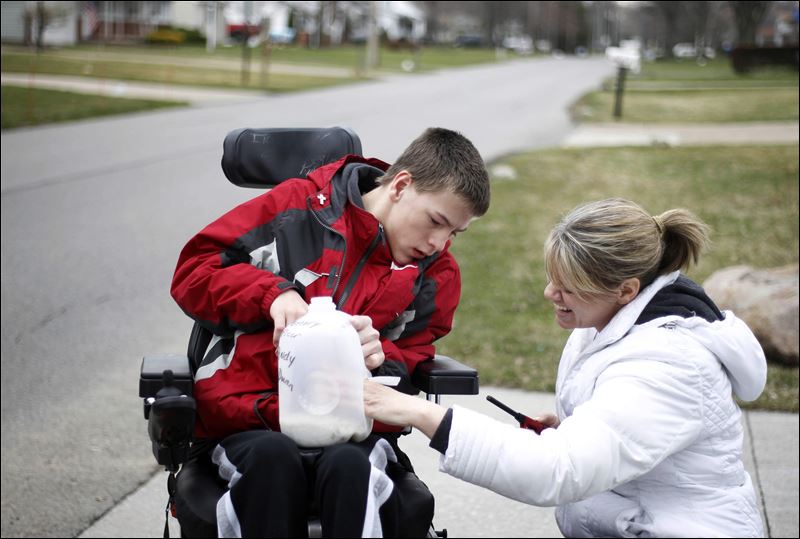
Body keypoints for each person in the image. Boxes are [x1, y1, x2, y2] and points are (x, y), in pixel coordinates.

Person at [364, 197, 767, 538]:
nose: (548, 293)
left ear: (626, 290)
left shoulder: (668, 365)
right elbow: (625, 429)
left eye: (567, 286)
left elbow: (558, 468)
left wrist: (418, 411)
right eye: (551, 277)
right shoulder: (610, 320)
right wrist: (573, 426)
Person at [170, 127, 491, 538]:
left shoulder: (434, 273)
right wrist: (271, 294)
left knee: (349, 466)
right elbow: (194, 270)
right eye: (436, 222)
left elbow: (414, 356)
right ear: (401, 185)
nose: (438, 243)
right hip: (250, 420)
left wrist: (383, 358)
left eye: (454, 233)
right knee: (272, 458)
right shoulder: (293, 209)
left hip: (352, 431)